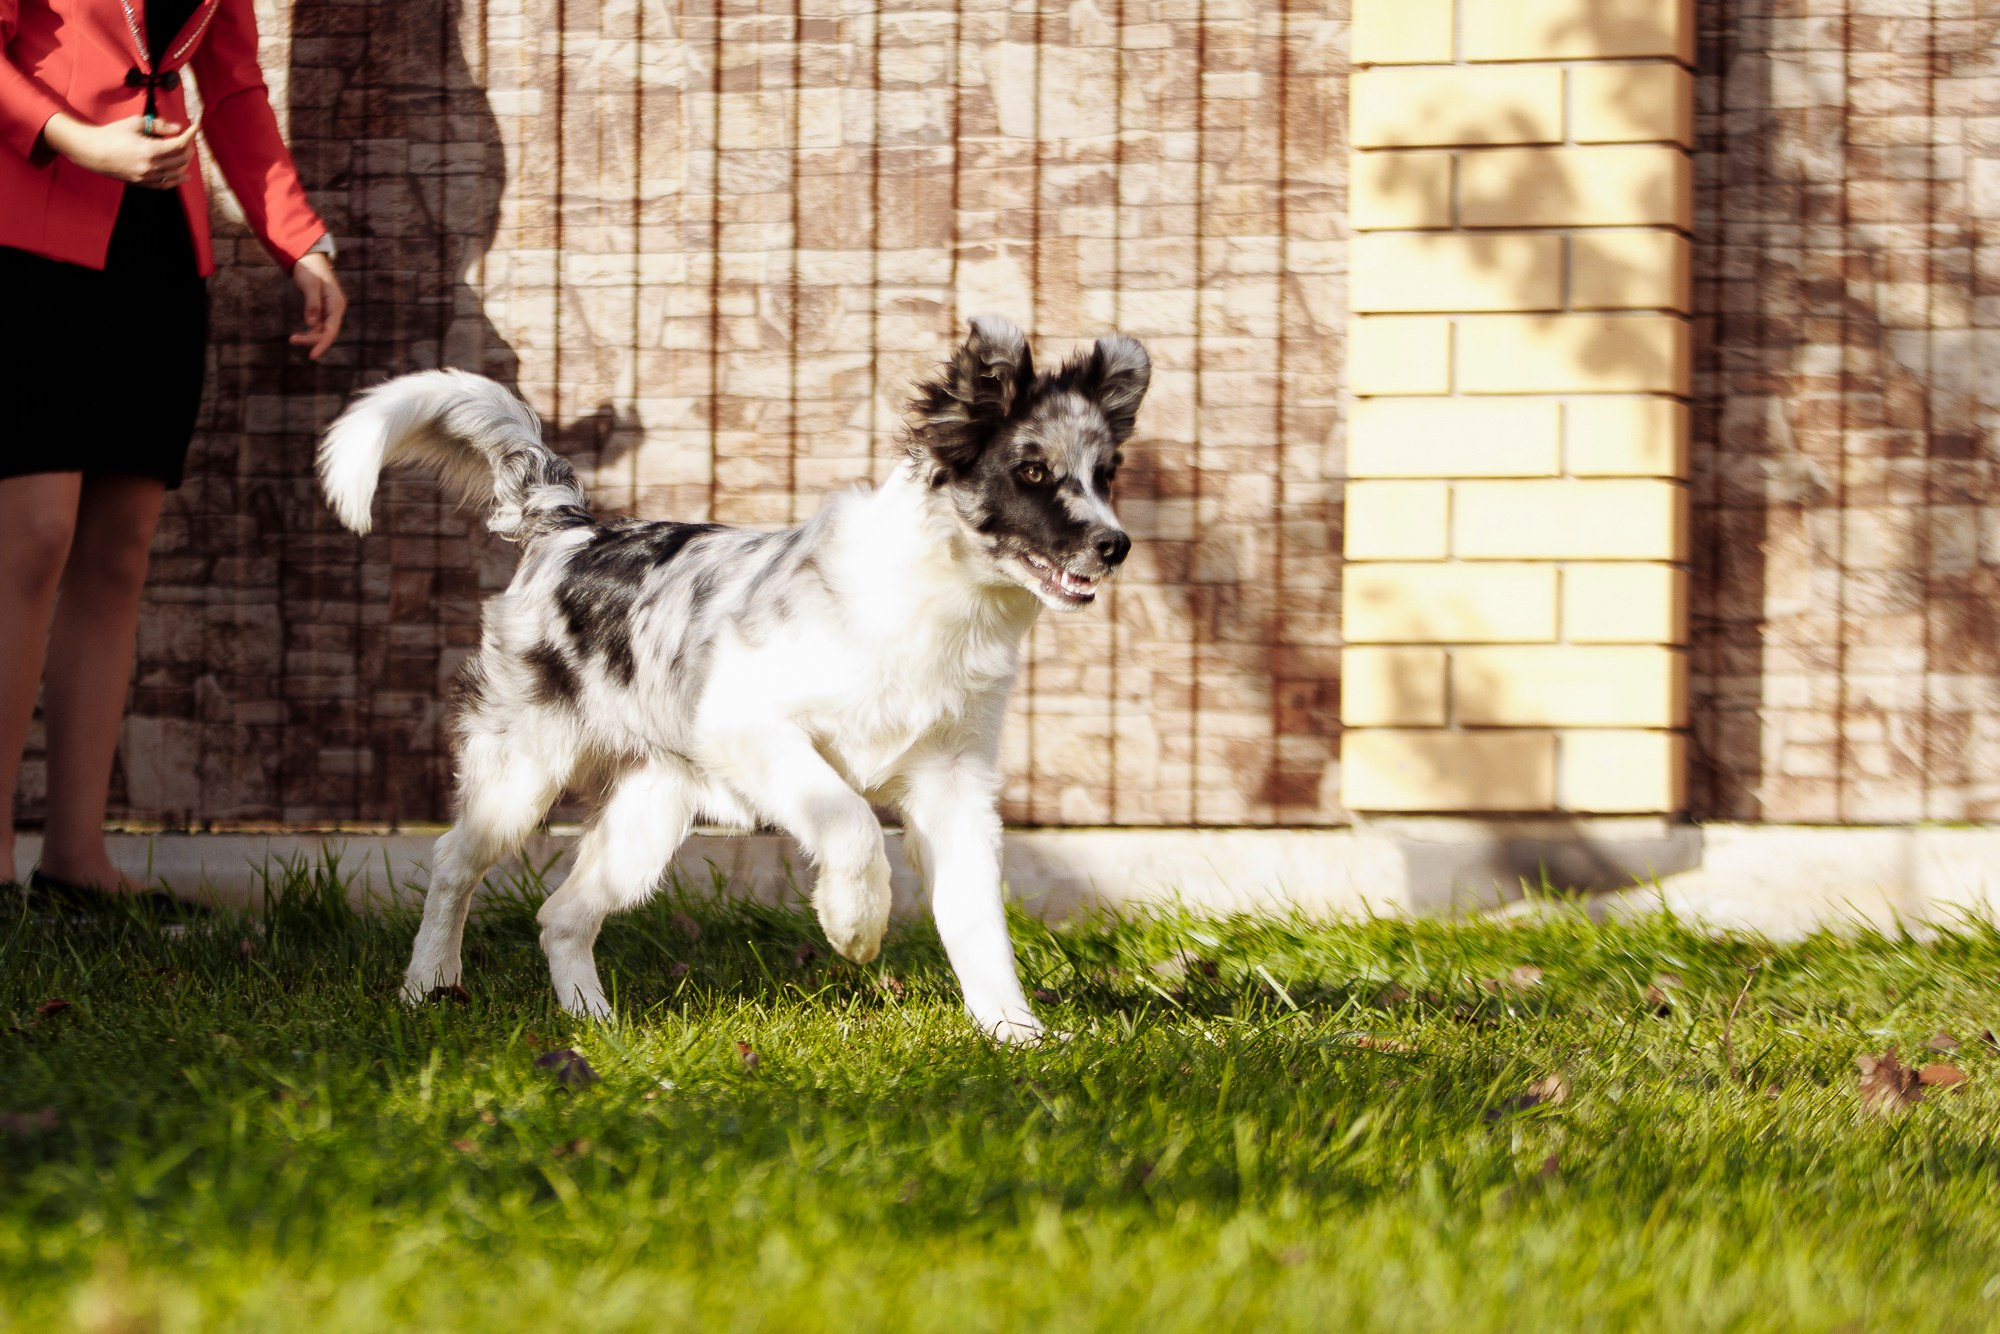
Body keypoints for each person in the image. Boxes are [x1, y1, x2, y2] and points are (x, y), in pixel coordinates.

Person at [0, 0, 345, 911]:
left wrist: (298, 239)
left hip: (158, 249)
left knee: (118, 552)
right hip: (28, 230)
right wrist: (76, 138)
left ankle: (76, 865)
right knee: (31, 539)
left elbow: (230, 85)